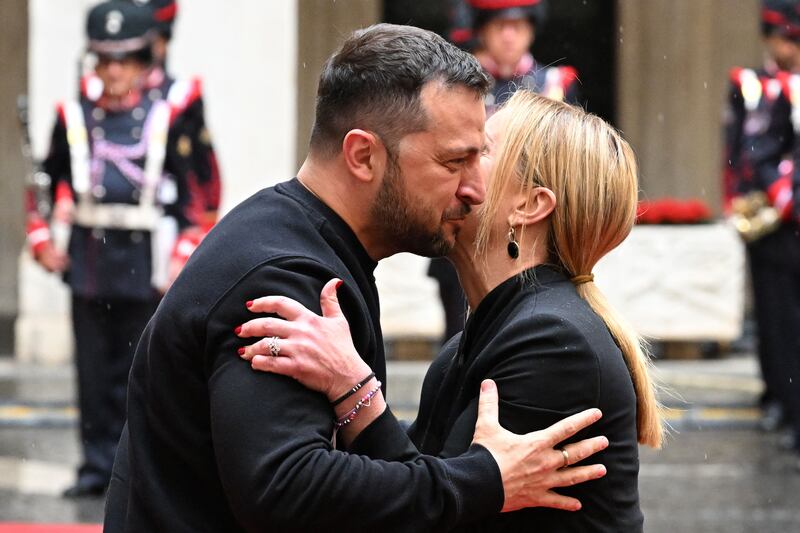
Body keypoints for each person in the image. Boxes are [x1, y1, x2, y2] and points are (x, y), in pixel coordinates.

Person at [104, 24, 611, 531]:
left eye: (480, 158)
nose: (475, 188)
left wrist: (357, 393)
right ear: (363, 155)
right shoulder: (285, 277)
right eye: (454, 161)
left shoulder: (302, 243)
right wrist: (485, 481)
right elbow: (287, 488)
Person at [239, 90, 663, 531]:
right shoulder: (481, 338)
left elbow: (426, 516)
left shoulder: (553, 343)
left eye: (478, 152)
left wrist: (353, 388)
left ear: (530, 204)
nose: (459, 169)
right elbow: (421, 480)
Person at [24, 1, 197, 497]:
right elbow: (43, 179)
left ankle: (136, 472)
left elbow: (195, 196)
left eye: (126, 59)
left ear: (146, 62)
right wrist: (41, 239)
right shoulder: (73, 116)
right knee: (93, 374)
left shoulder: (168, 117)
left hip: (148, 263)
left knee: (140, 373)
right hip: (90, 260)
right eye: (104, 59)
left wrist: (181, 259)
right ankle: (97, 468)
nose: (115, 69)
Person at [429, 0, 583, 345]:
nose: (510, 36)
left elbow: (569, 162)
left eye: (519, 26)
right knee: (458, 334)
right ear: (483, 30)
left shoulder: (554, 83)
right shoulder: (458, 84)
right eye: (501, 27)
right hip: (465, 212)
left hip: (528, 220)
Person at [723, 0, 800, 458]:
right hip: (776, 222)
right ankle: (785, 402)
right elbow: (746, 148)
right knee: (778, 322)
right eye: (785, 37)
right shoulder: (757, 85)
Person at [123, 0, 224, 273]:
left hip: (163, 238)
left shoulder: (179, 99)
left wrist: (192, 236)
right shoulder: (97, 101)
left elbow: (201, 176)